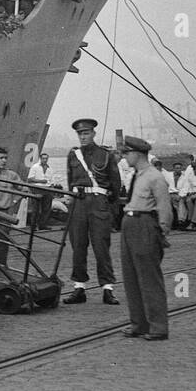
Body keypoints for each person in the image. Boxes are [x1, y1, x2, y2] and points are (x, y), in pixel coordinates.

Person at [117, 136, 174, 341]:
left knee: (149, 278)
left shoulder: (154, 177)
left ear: (137, 154)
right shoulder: (137, 175)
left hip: (145, 225)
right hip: (130, 223)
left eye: (127, 153)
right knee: (131, 277)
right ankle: (139, 324)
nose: (124, 157)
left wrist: (161, 233)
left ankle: (158, 327)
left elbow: (164, 208)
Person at [64, 117, 122, 305]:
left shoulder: (105, 155)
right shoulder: (73, 155)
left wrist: (106, 205)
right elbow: (70, 180)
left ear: (93, 133)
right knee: (78, 246)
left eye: (86, 133)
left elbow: (115, 183)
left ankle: (107, 289)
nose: (83, 137)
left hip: (99, 203)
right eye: (80, 134)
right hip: (78, 203)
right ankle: (79, 287)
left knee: (101, 246)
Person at [26, 151, 56, 228]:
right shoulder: (35, 167)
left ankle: (42, 224)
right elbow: (29, 179)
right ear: (40, 159)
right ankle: (33, 225)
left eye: (46, 158)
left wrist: (52, 192)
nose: (45, 160)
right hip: (37, 189)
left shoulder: (50, 169)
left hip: (48, 189)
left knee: (46, 209)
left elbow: (52, 182)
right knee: (35, 208)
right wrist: (40, 181)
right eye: (43, 158)